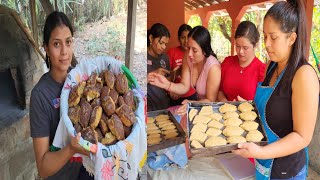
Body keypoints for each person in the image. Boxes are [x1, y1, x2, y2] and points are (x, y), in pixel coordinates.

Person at [233, 1, 319, 179]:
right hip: (264, 163)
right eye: (264, 36)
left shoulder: (304, 75)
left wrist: (259, 152)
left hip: (286, 171)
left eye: (273, 37)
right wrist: (248, 107)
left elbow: (302, 137)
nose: (267, 44)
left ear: (292, 38)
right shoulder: (273, 66)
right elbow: (272, 110)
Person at [29, 11, 93, 179]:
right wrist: (71, 149)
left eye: (68, 42)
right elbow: (43, 168)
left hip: (85, 169)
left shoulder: (79, 79)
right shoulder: (40, 96)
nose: (64, 51)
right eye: (57, 44)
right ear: (46, 49)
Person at [149, 26, 221, 115]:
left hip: (211, 111)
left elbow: (211, 101)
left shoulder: (213, 68)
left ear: (204, 50)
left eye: (194, 50)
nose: (189, 53)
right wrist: (167, 85)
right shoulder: (188, 56)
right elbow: (184, 86)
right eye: (189, 48)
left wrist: (191, 104)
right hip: (199, 107)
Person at [218, 21, 266, 102]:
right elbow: (220, 90)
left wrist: (247, 105)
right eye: (237, 46)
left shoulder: (262, 70)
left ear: (255, 45)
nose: (240, 51)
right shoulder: (228, 62)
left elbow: (262, 102)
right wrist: (225, 102)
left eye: (245, 48)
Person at [167, 24, 197, 106]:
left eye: (188, 37)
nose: (186, 41)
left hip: (191, 95)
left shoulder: (196, 53)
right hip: (175, 95)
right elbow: (167, 75)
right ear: (178, 39)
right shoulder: (172, 52)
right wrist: (171, 90)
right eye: (183, 37)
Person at [147, 23, 171, 111]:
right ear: (151, 38)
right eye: (161, 43)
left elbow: (168, 81)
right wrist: (153, 74)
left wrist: (175, 74)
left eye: (166, 44)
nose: (163, 47)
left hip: (164, 106)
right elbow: (135, 84)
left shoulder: (165, 58)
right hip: (149, 109)